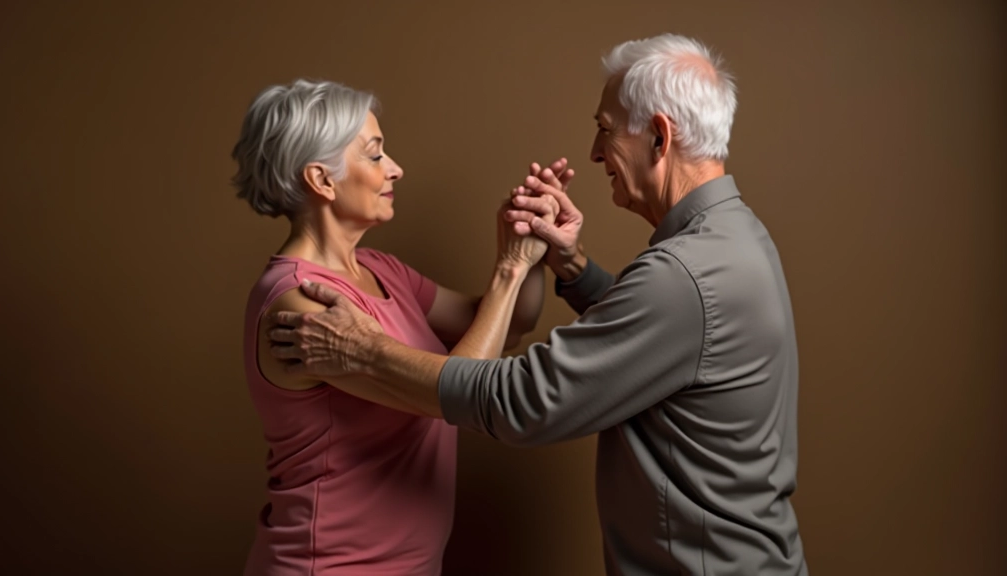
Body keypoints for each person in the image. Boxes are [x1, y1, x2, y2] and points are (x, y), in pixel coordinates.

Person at [269, 33, 808, 576]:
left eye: (605, 129)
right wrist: (571, 265)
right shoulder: (733, 238)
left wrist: (365, 351)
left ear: (659, 136)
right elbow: (664, 338)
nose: (595, 151)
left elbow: (522, 400)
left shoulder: (684, 275)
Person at [231, 79, 564, 575]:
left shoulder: (381, 270)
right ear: (321, 180)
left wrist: (530, 239)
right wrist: (509, 270)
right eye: (374, 155)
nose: (395, 168)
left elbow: (508, 324)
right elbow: (465, 390)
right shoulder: (300, 301)